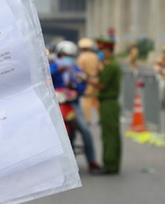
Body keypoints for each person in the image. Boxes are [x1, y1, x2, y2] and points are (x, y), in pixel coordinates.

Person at [50, 40, 103, 174]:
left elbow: (82, 84)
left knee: (85, 129)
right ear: (59, 55)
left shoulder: (76, 69)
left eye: (69, 56)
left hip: (72, 104)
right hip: (55, 104)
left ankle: (92, 161)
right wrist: (58, 70)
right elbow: (47, 78)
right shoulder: (52, 67)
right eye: (63, 55)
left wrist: (76, 87)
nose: (66, 58)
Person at [90, 39, 122, 175]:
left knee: (109, 135)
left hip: (109, 103)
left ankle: (110, 165)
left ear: (108, 51)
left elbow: (102, 85)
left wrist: (86, 80)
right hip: (108, 103)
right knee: (110, 134)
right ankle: (112, 164)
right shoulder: (109, 65)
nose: (100, 53)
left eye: (102, 50)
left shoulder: (111, 66)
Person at [76, 37, 102, 125]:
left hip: (87, 81)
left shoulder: (81, 58)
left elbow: (79, 71)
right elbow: (100, 69)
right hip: (96, 80)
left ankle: (88, 120)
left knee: (86, 100)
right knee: (97, 100)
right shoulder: (95, 56)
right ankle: (100, 118)